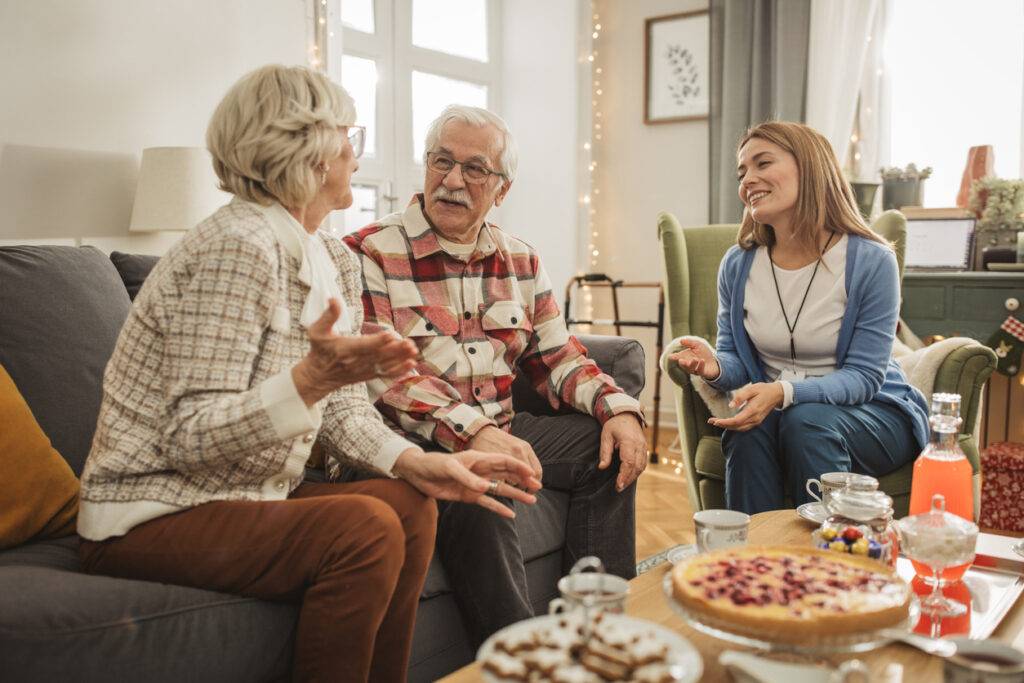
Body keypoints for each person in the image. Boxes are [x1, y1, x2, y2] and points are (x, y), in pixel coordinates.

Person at [76, 65, 540, 683]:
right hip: (149, 510)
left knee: (410, 504)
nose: (358, 151)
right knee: (366, 527)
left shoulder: (330, 256)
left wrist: (414, 462)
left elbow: (346, 412)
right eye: (350, 134)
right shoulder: (234, 245)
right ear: (308, 150)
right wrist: (308, 384)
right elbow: (187, 437)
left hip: (246, 494)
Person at [343, 104, 648, 644]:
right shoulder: (367, 251)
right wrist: (474, 432)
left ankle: (595, 632)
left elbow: (559, 357)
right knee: (477, 493)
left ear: (501, 189)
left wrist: (617, 407)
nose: (453, 180)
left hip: (502, 429)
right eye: (442, 161)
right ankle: (523, 661)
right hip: (417, 445)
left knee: (605, 448)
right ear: (427, 165)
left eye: (475, 169)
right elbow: (382, 376)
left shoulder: (521, 261)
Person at [663, 121, 930, 515]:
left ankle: (828, 562)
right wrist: (715, 366)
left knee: (806, 421)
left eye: (762, 164)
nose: (747, 180)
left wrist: (784, 393)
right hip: (787, 412)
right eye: (742, 172)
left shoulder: (871, 261)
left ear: (809, 167)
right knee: (746, 430)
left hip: (875, 412)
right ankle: (753, 563)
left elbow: (865, 378)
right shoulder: (737, 265)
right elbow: (738, 362)